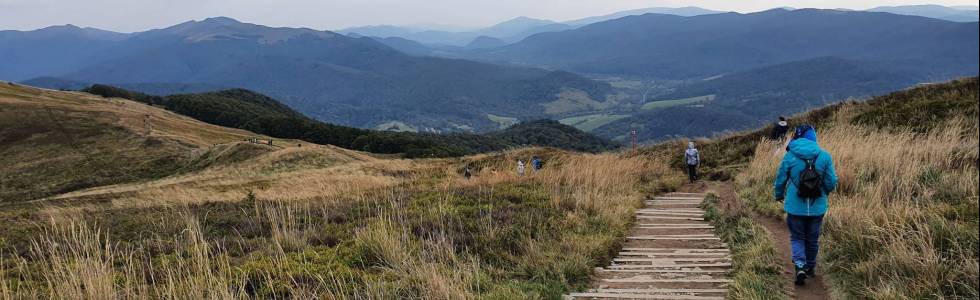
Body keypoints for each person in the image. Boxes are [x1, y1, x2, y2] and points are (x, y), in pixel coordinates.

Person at [774, 125, 838, 286]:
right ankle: (810, 266)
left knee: (797, 237)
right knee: (812, 238)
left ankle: (800, 266)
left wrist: (779, 195)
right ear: (813, 138)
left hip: (795, 207)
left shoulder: (790, 156)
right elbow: (832, 181)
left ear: (797, 138)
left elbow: (781, 179)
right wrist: (823, 192)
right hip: (817, 207)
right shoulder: (825, 156)